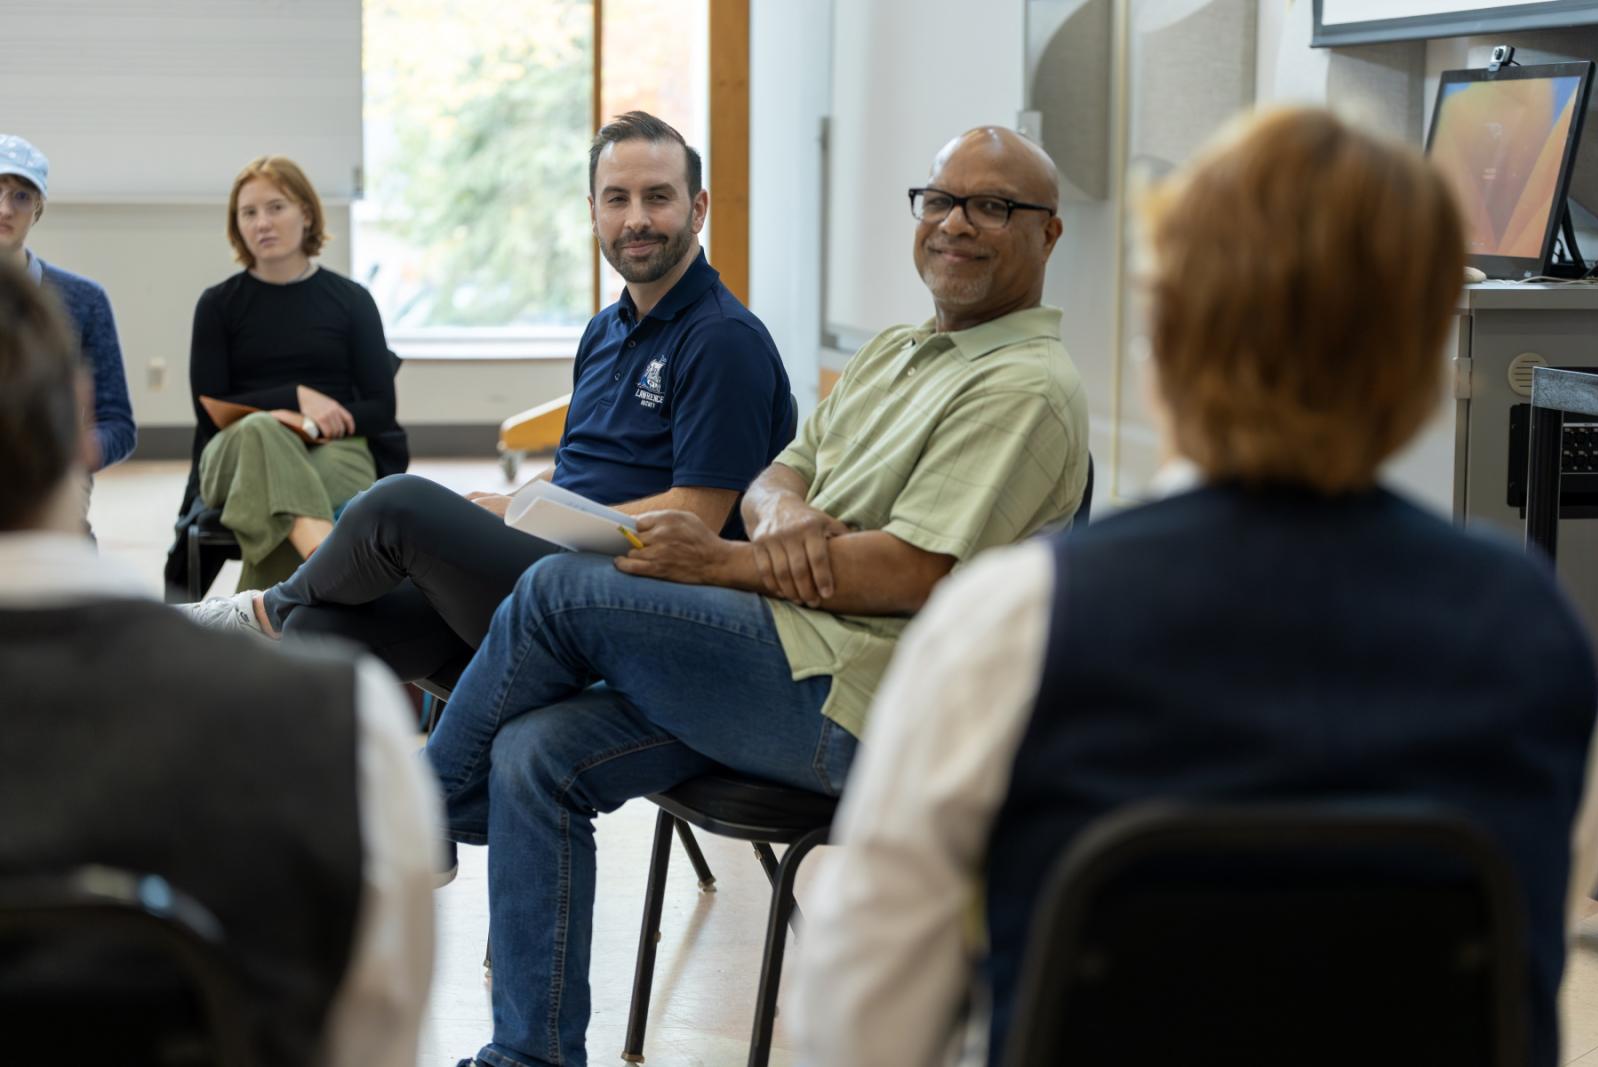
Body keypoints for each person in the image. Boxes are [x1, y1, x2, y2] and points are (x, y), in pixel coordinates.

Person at [790, 107, 1598, 1067]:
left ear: (1162, 338)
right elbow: (1522, 971)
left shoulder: (1013, 624)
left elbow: (864, 1025)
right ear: (1426, 359)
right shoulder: (1534, 633)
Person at [430, 125, 1089, 1067]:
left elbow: (910, 572)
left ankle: (417, 814)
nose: (955, 224)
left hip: (869, 705)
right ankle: (527, 1057)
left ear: (1049, 234)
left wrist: (729, 560)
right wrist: (782, 519)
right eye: (939, 199)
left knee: (559, 591)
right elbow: (775, 477)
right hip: (776, 657)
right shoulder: (896, 350)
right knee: (536, 750)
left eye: (992, 207)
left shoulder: (1027, 386)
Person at [0, 259, 440, 1066]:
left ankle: (294, 590)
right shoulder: (339, 723)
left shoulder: (343, 302)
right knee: (253, 445)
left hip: (326, 454)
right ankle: (314, 586)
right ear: (81, 418)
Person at [182, 112, 795, 688]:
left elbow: (696, 515)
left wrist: (542, 520)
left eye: (657, 197)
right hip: (549, 561)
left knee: (396, 505)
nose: (635, 218)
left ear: (698, 209)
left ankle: (262, 609)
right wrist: (516, 504)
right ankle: (383, 784)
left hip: (621, 596)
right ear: (593, 214)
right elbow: (581, 471)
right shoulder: (604, 330)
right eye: (617, 199)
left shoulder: (722, 340)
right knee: (325, 629)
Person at [173, 155, 406, 593]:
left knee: (273, 488)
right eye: (249, 212)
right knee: (260, 430)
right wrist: (296, 399)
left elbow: (381, 408)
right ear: (237, 225)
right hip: (235, 452)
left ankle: (263, 612)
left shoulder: (352, 301)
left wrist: (317, 422)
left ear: (306, 212)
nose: (263, 222)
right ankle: (322, 568)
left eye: (276, 207)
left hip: (336, 450)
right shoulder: (217, 305)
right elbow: (209, 412)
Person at [0, 134, 136, 519]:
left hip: (52, 478)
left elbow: (117, 423)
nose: (5, 209)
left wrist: (73, 454)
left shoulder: (84, 300)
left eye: (20, 196)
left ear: (38, 208)